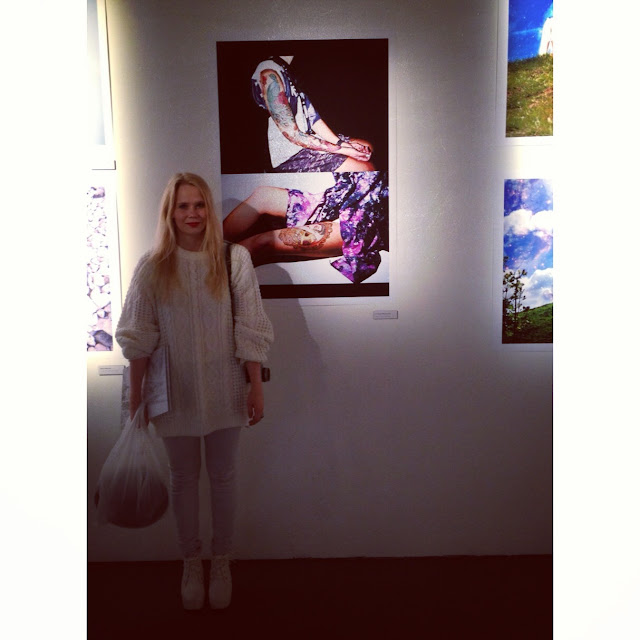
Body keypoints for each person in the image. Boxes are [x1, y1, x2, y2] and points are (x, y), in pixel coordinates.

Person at [115, 173, 274, 610]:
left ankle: (221, 560)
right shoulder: (152, 265)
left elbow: (250, 326)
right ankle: (191, 560)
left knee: (223, 477)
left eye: (199, 205)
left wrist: (255, 387)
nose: (192, 214)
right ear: (170, 213)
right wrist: (136, 399)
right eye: (183, 206)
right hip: (173, 391)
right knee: (183, 479)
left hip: (226, 386)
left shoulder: (233, 258)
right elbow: (138, 335)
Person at [223, 171, 389, 284]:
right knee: (263, 195)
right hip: (340, 199)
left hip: (364, 223)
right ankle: (211, 250)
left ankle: (213, 276)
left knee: (261, 242)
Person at [251, 55, 375, 173]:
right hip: (290, 155)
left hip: (307, 140)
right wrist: (343, 150)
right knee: (365, 167)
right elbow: (293, 134)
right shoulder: (268, 73)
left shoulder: (286, 70)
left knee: (367, 147)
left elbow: (314, 120)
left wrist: (341, 144)